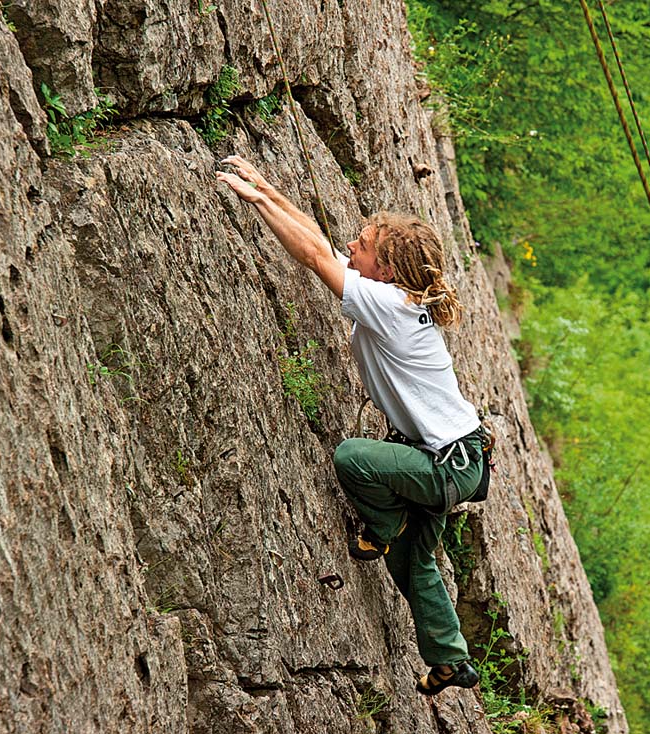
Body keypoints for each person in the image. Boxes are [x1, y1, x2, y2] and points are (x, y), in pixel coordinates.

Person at [217, 155, 487, 696]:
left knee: (353, 458)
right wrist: (267, 186)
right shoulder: (396, 295)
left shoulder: (387, 303)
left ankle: (381, 527)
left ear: (386, 269)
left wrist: (257, 202)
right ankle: (451, 659)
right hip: (458, 459)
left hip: (443, 463)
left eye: (362, 246)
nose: (352, 247)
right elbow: (322, 241)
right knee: (415, 564)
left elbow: (315, 255)